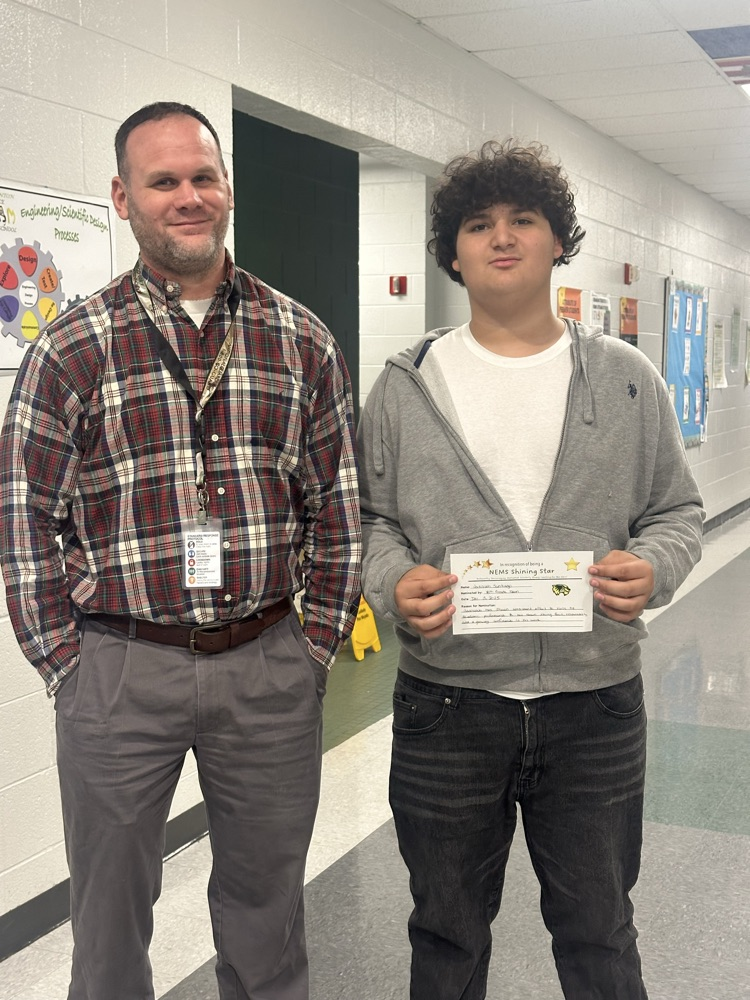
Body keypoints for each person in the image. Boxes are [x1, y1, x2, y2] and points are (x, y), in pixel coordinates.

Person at [0, 102, 361, 1000]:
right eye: (164, 181)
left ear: (226, 189)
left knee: (268, 914)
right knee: (111, 927)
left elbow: (341, 512)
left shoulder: (299, 338)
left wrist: (310, 648)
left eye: (204, 177)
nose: (189, 197)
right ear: (123, 198)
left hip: (268, 665)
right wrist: (66, 665)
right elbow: (22, 515)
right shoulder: (74, 345)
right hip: (120, 670)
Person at [357, 140, 703, 999]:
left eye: (523, 220)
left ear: (559, 241)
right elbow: (367, 521)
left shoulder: (626, 380)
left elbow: (677, 511)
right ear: (453, 250)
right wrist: (393, 583)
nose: (501, 238)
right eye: (479, 224)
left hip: (594, 709)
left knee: (599, 936)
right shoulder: (406, 388)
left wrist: (653, 567)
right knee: (445, 938)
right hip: (447, 710)